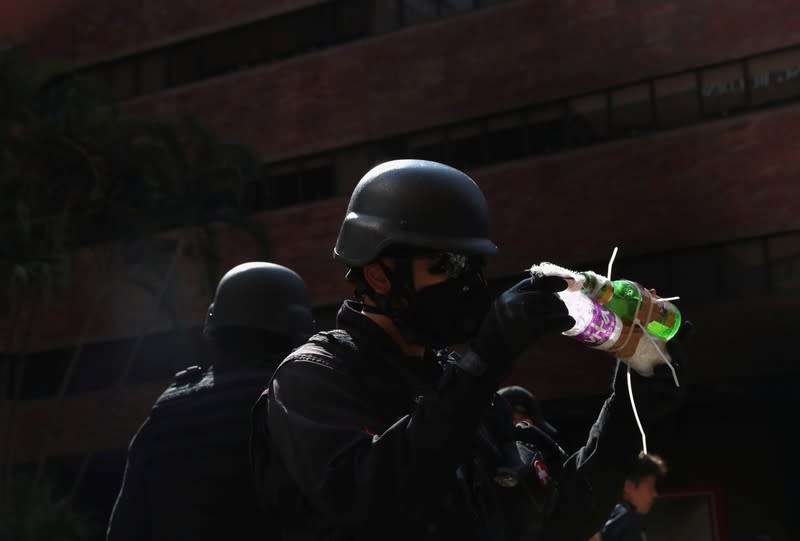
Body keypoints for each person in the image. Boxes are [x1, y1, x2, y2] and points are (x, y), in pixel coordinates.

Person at [250, 159, 691, 541]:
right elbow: (372, 501)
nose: (467, 284)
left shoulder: (462, 387)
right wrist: (485, 362)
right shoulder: (312, 378)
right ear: (380, 275)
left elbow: (561, 516)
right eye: (446, 265)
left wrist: (629, 405)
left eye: (473, 266)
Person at [107, 262, 314, 541]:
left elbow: (125, 530)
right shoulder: (304, 401)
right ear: (296, 328)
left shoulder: (167, 412)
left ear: (215, 325)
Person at [595, 452, 668, 541]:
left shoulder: (610, 515)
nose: (654, 494)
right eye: (650, 485)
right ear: (628, 486)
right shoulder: (624, 519)